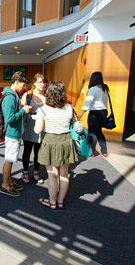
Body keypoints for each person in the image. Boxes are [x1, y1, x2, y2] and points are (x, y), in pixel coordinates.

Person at [34, 81, 77, 209]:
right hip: (66, 142)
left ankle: (52, 202)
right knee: (64, 175)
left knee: (52, 176)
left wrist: (37, 119)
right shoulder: (70, 108)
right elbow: (75, 124)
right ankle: (60, 201)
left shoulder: (43, 109)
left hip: (50, 143)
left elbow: (38, 130)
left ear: (49, 94)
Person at [0, 71, 32, 197]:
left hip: (15, 132)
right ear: (17, 82)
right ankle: (5, 185)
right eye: (23, 85)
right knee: (9, 159)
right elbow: (10, 119)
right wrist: (23, 110)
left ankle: (9, 181)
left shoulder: (14, 95)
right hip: (12, 133)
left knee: (10, 159)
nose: (24, 88)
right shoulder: (10, 97)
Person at [20, 73, 47, 184]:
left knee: (38, 151)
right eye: (40, 82)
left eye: (44, 82)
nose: (42, 84)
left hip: (42, 126)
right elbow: (22, 110)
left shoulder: (47, 95)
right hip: (30, 125)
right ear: (34, 83)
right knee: (27, 150)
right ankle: (25, 171)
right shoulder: (28, 95)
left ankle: (36, 171)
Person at [78, 71, 110, 157]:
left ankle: (92, 151)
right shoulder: (105, 88)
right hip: (103, 112)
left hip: (95, 113)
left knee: (92, 133)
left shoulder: (93, 89)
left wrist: (79, 116)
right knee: (99, 131)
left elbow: (86, 104)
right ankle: (104, 151)